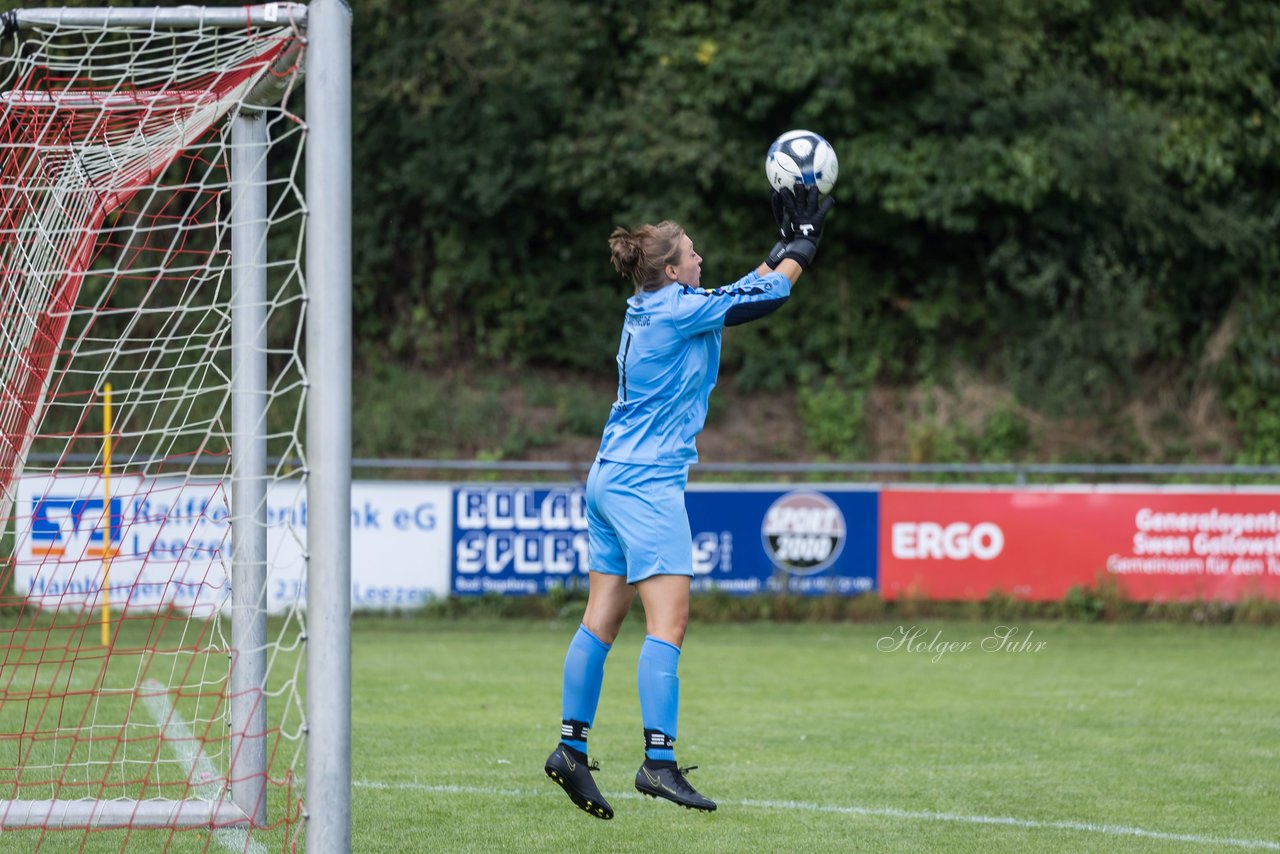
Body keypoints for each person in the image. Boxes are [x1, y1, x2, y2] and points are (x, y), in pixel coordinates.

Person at [543, 185, 836, 819]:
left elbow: (731, 291)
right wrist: (803, 250)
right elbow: (761, 299)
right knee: (667, 625)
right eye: (692, 252)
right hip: (647, 485)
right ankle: (659, 762)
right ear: (672, 269)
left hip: (610, 478)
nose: (701, 257)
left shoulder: (654, 304)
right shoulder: (679, 310)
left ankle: (570, 748)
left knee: (601, 619)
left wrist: (779, 249)